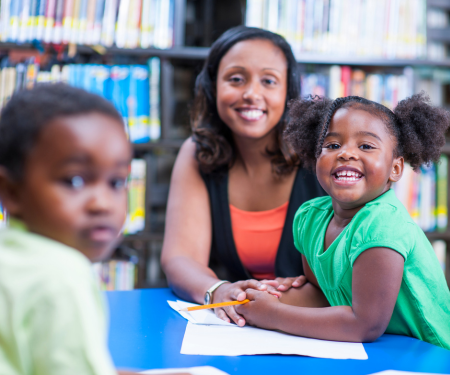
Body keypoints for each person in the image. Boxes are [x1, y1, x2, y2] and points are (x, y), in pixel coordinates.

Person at [234, 93, 450, 350]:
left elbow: (365, 324)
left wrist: (273, 314)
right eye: (333, 145)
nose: (346, 153)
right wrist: (263, 297)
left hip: (428, 354)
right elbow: (322, 296)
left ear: (395, 168)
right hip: (378, 350)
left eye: (366, 146)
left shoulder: (383, 223)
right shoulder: (310, 218)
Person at [0, 84, 175, 375]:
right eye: (74, 181)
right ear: (11, 193)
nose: (102, 204)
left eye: (117, 182)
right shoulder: (61, 276)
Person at [161, 26, 325, 326]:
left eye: (268, 81)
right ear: (213, 87)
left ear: (288, 92)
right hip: (243, 326)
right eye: (236, 79)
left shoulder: (323, 154)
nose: (251, 94)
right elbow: (180, 258)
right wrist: (218, 290)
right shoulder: (197, 153)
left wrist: (265, 303)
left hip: (319, 326)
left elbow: (356, 274)